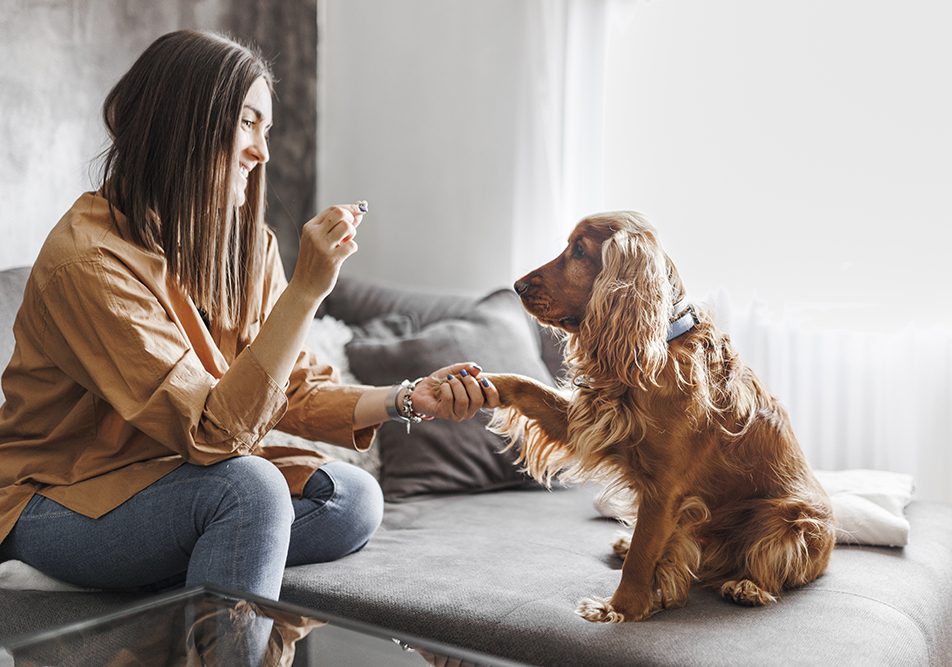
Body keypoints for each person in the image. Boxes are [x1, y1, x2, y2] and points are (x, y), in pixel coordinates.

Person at [0, 30, 499, 603]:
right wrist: (307, 291)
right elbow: (214, 435)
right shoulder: (88, 262)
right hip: (58, 497)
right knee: (251, 490)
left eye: (266, 128)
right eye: (246, 123)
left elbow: (290, 387)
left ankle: (194, 576)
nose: (262, 151)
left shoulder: (246, 246)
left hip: (176, 483)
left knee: (352, 499)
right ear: (181, 123)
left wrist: (409, 398)